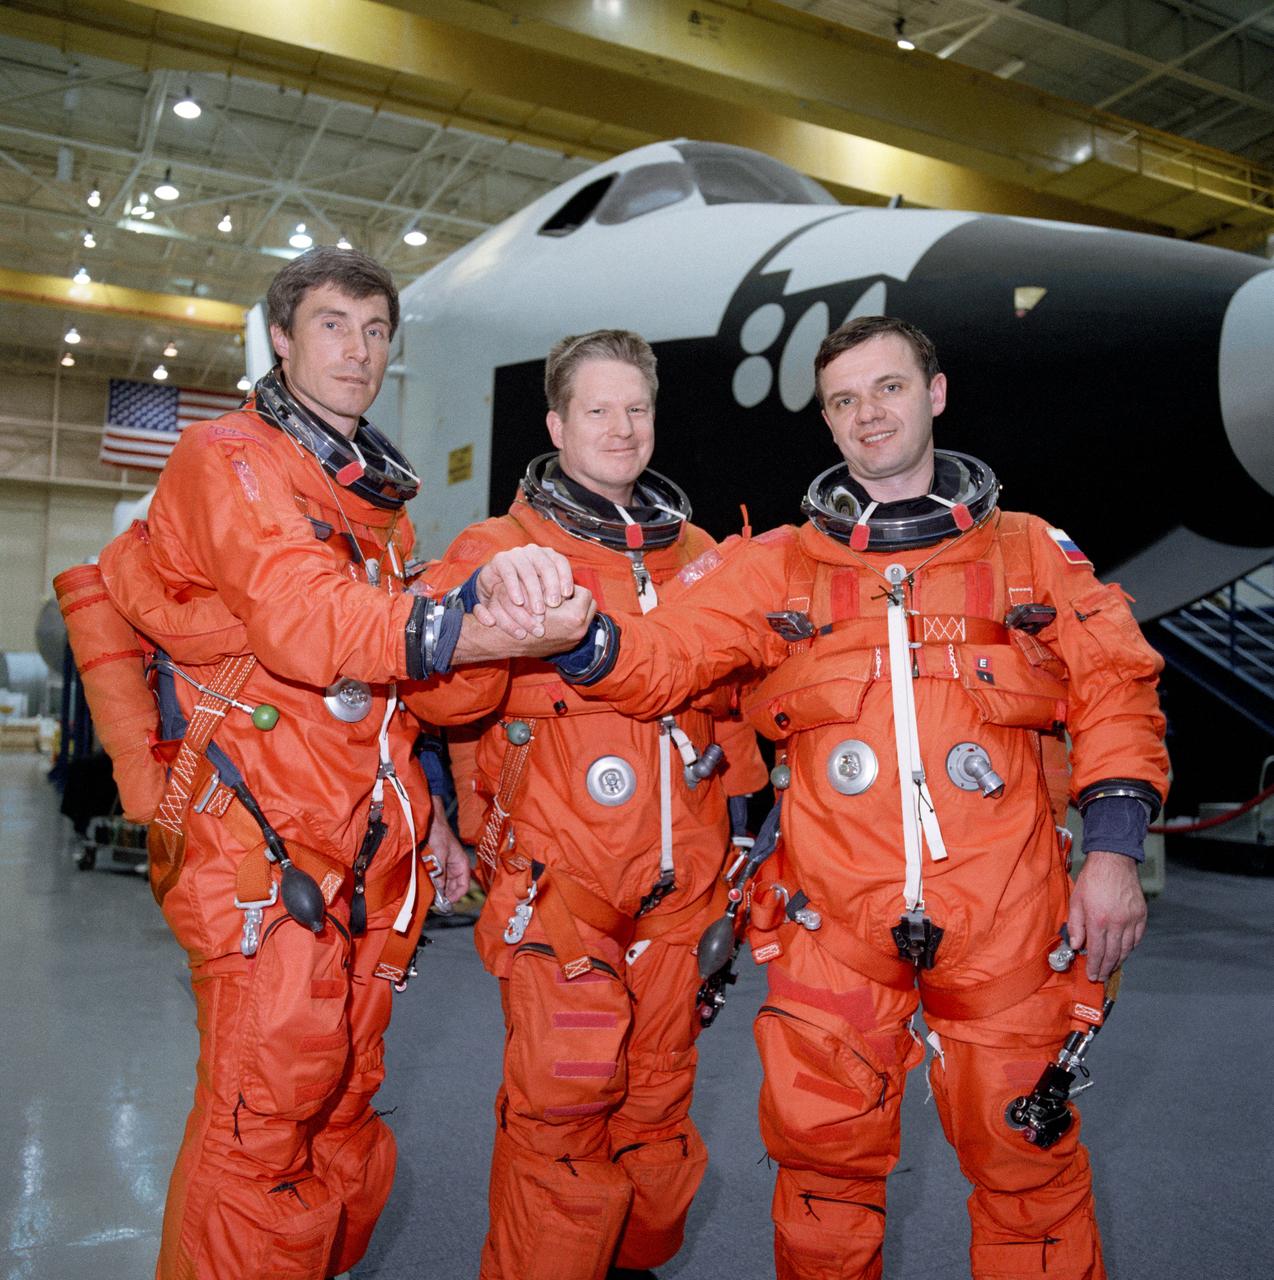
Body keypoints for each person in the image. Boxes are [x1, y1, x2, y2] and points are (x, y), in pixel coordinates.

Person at [528, 316, 1169, 1280]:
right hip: (834, 923)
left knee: (1025, 1174)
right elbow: (669, 654)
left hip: (1005, 913)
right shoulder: (781, 563)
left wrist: (1115, 853)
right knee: (824, 1174)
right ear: (827, 422)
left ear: (935, 393)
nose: (869, 414)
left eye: (889, 388)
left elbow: (1117, 686)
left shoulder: (1029, 552)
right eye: (844, 399)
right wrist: (583, 638)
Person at [60, 247, 590, 1280]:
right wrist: (476, 631)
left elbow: (378, 697)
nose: (357, 349)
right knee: (261, 1118)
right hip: (253, 844)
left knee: (342, 1099)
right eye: (334, 324)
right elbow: (310, 623)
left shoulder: (376, 507)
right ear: (283, 337)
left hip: (359, 847)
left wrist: (428, 816)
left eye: (375, 329)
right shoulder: (230, 458)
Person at [426, 330, 768, 1280]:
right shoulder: (499, 550)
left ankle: (629, 1266)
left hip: (682, 893)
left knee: (656, 1109)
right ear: (555, 423)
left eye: (637, 409)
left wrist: (747, 835)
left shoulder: (701, 553)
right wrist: (481, 607)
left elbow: (730, 710)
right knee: (564, 1107)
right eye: (597, 409)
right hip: (561, 887)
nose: (620, 428)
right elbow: (439, 697)